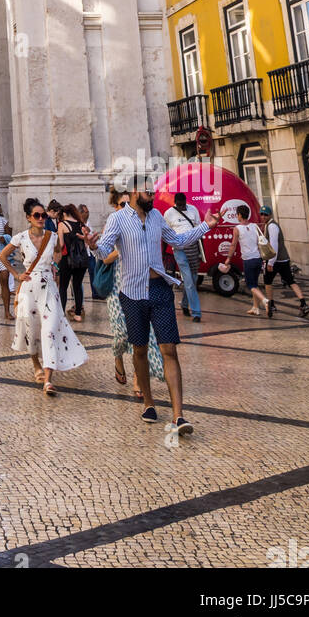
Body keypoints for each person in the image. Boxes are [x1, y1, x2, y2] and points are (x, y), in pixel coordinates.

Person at [92, 179, 218, 434]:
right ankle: (149, 403)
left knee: (168, 349)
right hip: (132, 293)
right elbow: (104, 250)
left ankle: (179, 416)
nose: (152, 195)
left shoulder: (157, 216)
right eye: (148, 192)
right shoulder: (118, 219)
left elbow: (178, 241)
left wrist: (207, 225)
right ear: (134, 192)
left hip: (159, 289)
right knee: (139, 349)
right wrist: (92, 243)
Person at [0, 200, 87, 396]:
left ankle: (48, 380)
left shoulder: (53, 236)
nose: (41, 219)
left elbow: (58, 253)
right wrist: (16, 274)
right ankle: (36, 364)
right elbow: (3, 256)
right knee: (31, 329)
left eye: (43, 215)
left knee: (49, 331)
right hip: (28, 287)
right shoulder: (20, 237)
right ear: (29, 217)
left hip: (48, 287)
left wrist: (54, 268)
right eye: (36, 215)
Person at [103, 187, 165, 397]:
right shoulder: (115, 222)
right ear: (115, 206)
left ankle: (139, 378)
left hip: (139, 284)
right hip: (117, 285)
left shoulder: (145, 221)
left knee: (141, 334)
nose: (126, 208)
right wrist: (122, 249)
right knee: (121, 332)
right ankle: (118, 356)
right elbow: (104, 257)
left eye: (128, 204)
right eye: (122, 205)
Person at [259, 206, 309, 318]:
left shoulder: (272, 226)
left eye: (265, 214)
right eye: (261, 214)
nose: (263, 216)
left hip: (276, 260)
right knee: (291, 281)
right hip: (284, 259)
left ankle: (271, 304)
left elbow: (274, 245)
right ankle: (303, 303)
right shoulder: (270, 225)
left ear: (270, 215)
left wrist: (271, 262)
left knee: (267, 281)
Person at [220, 205, 270, 317]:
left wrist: (228, 258)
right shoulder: (254, 226)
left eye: (237, 214)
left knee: (250, 285)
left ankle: (265, 301)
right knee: (255, 284)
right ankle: (255, 308)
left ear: (239, 215)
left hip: (248, 259)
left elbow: (233, 245)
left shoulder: (237, 229)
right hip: (258, 258)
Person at [163, 190, 204, 322]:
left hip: (193, 248)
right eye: (180, 205)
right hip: (179, 250)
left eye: (184, 205)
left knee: (193, 279)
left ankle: (185, 304)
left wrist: (201, 250)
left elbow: (199, 229)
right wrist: (164, 253)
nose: (183, 207)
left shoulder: (193, 210)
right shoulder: (168, 214)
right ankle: (196, 313)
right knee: (188, 281)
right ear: (175, 204)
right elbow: (165, 233)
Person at [56, 203, 89, 322]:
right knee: (77, 286)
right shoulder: (81, 224)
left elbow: (60, 244)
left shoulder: (62, 225)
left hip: (67, 260)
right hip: (82, 260)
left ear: (64, 213)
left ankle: (61, 315)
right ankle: (78, 314)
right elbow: (86, 242)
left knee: (63, 287)